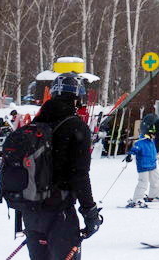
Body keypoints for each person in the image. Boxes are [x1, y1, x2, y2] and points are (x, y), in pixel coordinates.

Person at [20, 73, 102, 260]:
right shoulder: (75, 126)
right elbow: (79, 174)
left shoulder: (36, 124)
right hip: (59, 213)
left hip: (31, 212)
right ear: (77, 98)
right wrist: (90, 211)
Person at [124, 128, 159, 207]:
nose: (154, 136)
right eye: (153, 134)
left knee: (155, 181)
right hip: (143, 166)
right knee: (143, 183)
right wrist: (130, 155)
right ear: (147, 134)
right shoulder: (140, 142)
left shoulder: (152, 142)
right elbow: (134, 150)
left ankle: (153, 195)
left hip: (153, 165)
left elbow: (154, 152)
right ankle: (137, 199)